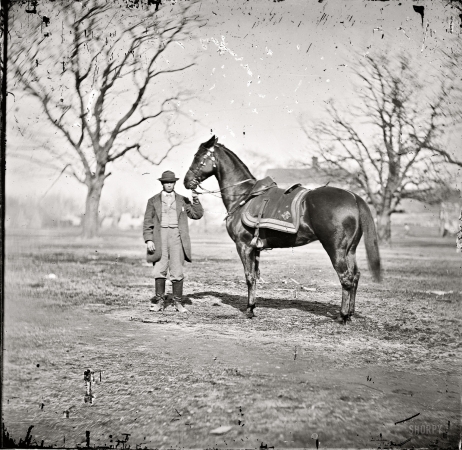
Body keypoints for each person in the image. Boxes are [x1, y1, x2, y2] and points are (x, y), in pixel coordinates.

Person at [143, 170, 203, 313]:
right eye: (166, 182)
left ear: (174, 183)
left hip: (177, 237)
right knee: (159, 269)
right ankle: (159, 303)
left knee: (177, 270)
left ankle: (178, 303)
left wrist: (195, 199)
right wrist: (149, 240)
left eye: (171, 182)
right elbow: (147, 222)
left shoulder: (183, 200)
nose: (169, 185)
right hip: (159, 237)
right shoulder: (153, 201)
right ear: (162, 184)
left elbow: (197, 214)